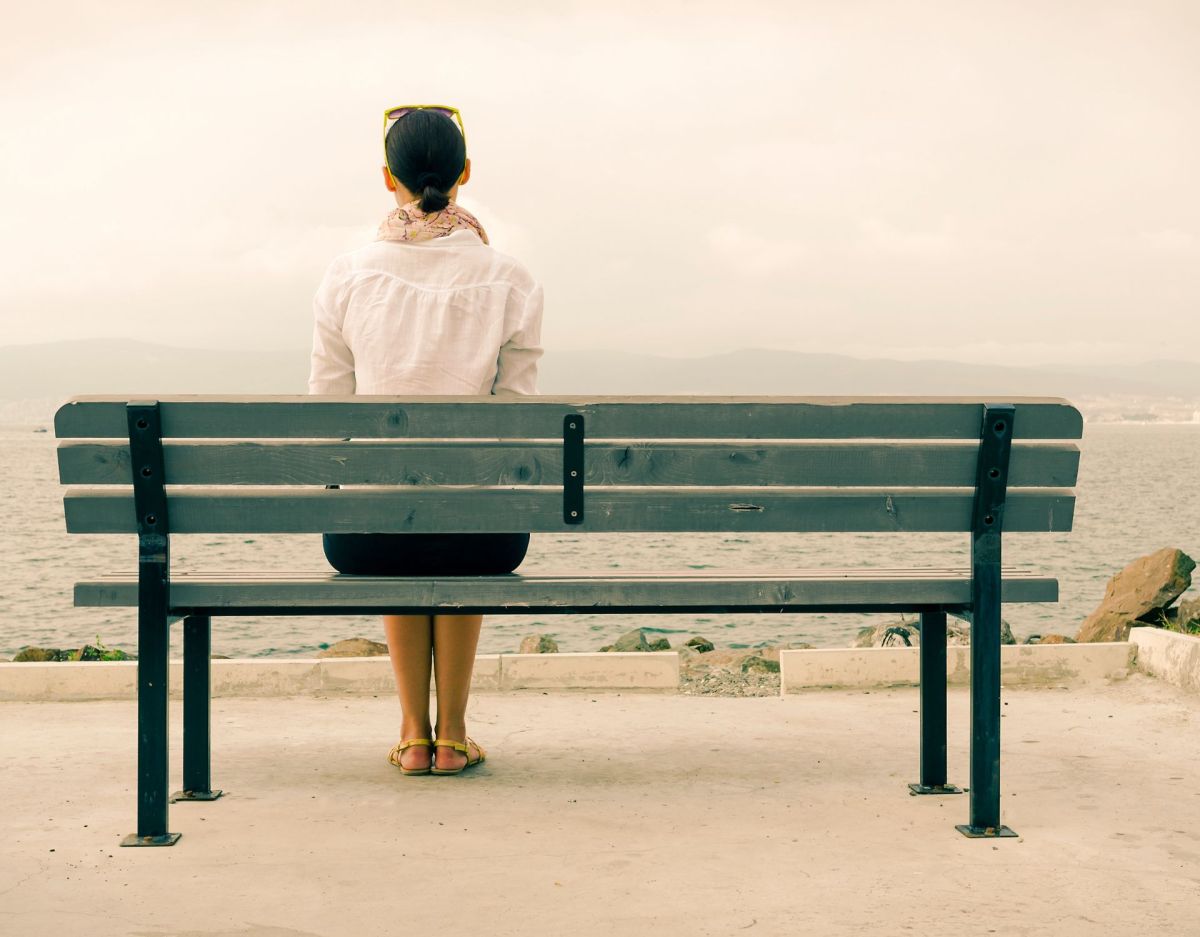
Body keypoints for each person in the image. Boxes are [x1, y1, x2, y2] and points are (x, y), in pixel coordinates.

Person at [307, 104, 544, 776]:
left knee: (389, 505)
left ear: (390, 177)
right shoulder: (513, 279)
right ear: (465, 173)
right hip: (486, 536)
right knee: (465, 507)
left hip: (368, 536)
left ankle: (414, 734)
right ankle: (455, 734)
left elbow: (327, 407)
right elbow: (516, 415)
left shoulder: (346, 276)